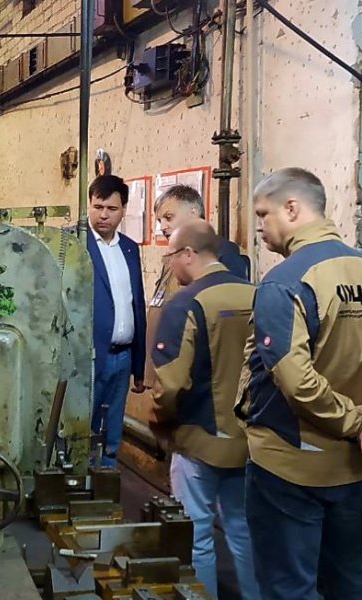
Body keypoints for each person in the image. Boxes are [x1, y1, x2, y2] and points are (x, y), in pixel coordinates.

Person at [235, 168, 362, 600]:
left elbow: (296, 380)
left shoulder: (284, 282)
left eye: (263, 214)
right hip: (351, 467)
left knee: (288, 588)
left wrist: (356, 422)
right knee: (346, 581)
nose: (259, 226)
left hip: (287, 466)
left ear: (292, 208)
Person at [149, 220, 259, 600]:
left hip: (198, 441)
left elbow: (171, 384)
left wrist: (160, 421)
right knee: (243, 532)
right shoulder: (257, 295)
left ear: (188, 254)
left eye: (170, 256)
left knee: (195, 535)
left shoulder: (186, 303)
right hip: (249, 442)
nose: (170, 265)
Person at [142, 185, 249, 395]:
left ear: (193, 213)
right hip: (167, 368)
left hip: (198, 378)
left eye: (169, 217)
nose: (163, 226)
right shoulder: (174, 257)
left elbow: (224, 325)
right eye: (160, 220)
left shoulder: (222, 254)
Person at [85, 174, 146, 467]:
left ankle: (106, 477)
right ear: (89, 206)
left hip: (122, 357)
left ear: (123, 210)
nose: (104, 215)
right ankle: (78, 482)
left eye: (111, 208)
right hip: (88, 356)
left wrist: (139, 366)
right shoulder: (74, 245)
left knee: (112, 430)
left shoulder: (130, 249)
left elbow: (137, 304)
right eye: (98, 207)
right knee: (81, 427)